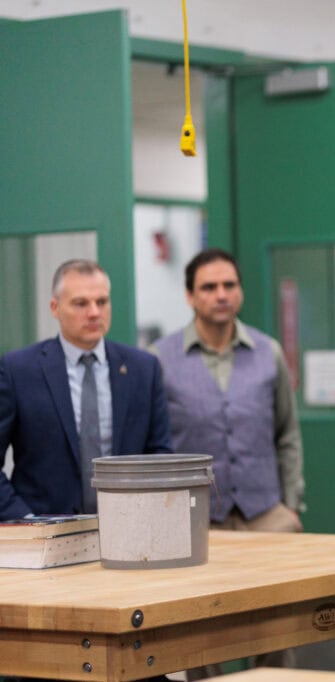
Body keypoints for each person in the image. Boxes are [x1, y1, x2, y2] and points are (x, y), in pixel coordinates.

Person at [150, 248, 303, 677]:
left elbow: (287, 434)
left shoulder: (268, 352)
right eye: (209, 287)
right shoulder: (159, 359)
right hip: (199, 521)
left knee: (279, 626)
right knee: (204, 633)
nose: (221, 295)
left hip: (266, 513)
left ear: (240, 291)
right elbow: (153, 446)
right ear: (189, 296)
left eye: (229, 285)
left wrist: (290, 504)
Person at [0, 259, 173, 521]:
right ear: (55, 308)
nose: (94, 312)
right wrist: (25, 520)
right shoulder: (18, 370)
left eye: (102, 302)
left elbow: (160, 455)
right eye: (81, 303)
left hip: (130, 528)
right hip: (44, 533)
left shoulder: (143, 368)